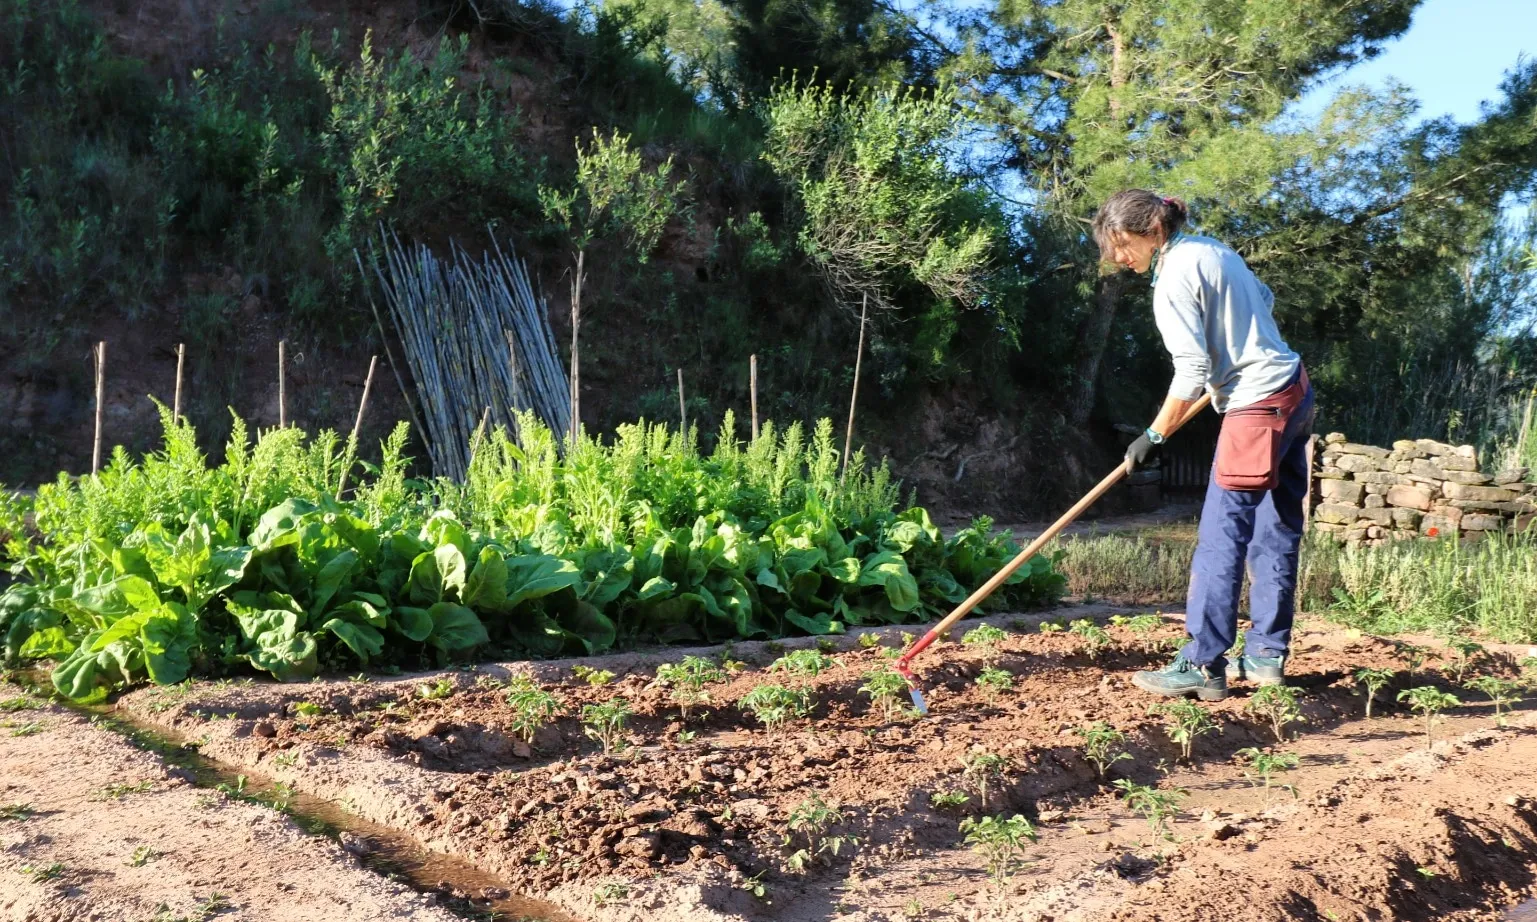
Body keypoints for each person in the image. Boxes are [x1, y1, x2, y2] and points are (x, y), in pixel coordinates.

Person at [1093, 189, 1314, 702]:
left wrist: (1153, 435)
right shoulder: (1214, 251)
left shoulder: (1171, 280)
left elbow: (1191, 370)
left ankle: (1202, 663)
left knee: (1221, 534)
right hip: (1294, 390)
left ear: (1152, 229)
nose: (1120, 259)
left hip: (1257, 407)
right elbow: (1265, 298)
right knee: (1275, 525)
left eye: (1123, 245)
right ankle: (1265, 656)